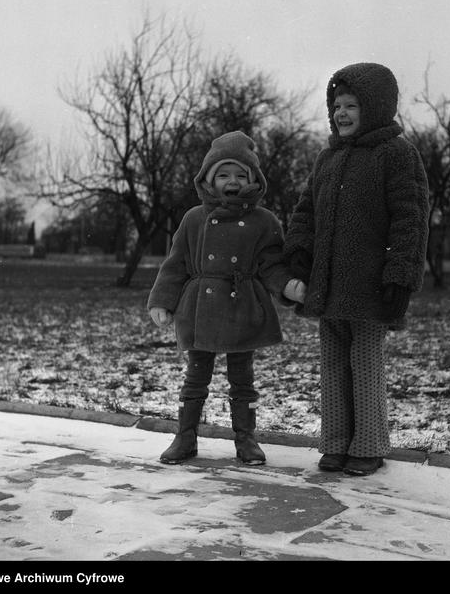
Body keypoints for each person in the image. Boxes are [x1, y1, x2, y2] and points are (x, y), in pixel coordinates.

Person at [283, 62, 429, 476]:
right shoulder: (327, 158)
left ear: (377, 107)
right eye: (336, 105)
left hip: (369, 288)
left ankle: (367, 446)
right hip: (327, 287)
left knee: (364, 365)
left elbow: (410, 219)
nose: (341, 114)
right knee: (331, 366)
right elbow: (305, 212)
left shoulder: (396, 155)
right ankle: (334, 444)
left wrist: (400, 275)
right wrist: (298, 252)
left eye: (351, 105)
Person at [148, 130, 306, 466]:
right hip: (200, 308)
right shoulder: (194, 219)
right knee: (196, 376)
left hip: (242, 304)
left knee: (242, 378)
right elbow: (175, 264)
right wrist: (162, 300)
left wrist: (287, 285)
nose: (231, 181)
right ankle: (185, 437)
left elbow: (271, 264)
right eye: (223, 174)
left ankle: (246, 439)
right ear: (208, 179)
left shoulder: (264, 222)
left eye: (239, 174)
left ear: (253, 180)